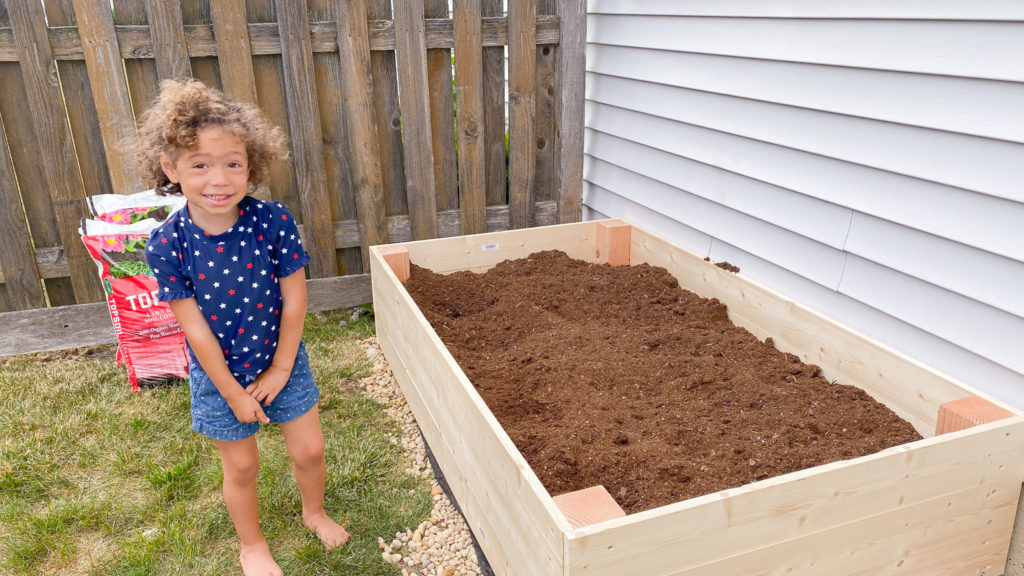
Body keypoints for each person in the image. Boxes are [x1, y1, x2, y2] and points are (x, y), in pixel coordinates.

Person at [137, 78, 349, 576]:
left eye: (233, 163)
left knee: (311, 449)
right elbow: (196, 331)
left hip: (283, 360)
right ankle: (252, 546)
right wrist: (233, 392)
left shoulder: (272, 221)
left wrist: (280, 368)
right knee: (242, 466)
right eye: (200, 164)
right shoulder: (167, 246)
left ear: (252, 165)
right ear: (172, 169)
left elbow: (295, 301)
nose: (219, 178)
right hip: (219, 376)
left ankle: (313, 512)